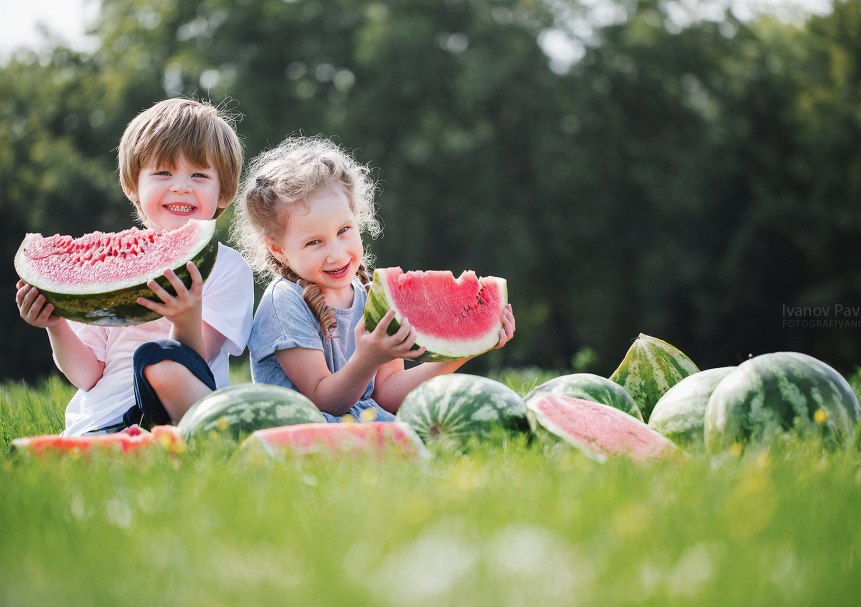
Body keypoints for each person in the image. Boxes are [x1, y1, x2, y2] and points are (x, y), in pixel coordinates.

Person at [232, 135, 515, 422]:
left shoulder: (370, 295)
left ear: (356, 217)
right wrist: (367, 359)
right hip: (311, 427)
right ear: (279, 249)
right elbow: (324, 401)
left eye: (343, 230)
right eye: (314, 242)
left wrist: (463, 351)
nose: (336, 253)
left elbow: (388, 396)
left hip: (365, 424)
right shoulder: (285, 302)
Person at [15, 98, 254, 435]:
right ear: (132, 188)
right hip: (102, 420)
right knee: (149, 359)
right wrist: (55, 325)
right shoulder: (107, 266)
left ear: (224, 194)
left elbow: (193, 363)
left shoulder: (227, 268)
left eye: (199, 175)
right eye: (163, 173)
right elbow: (87, 375)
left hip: (183, 411)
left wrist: (186, 318)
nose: (181, 186)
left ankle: (183, 437)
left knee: (157, 357)